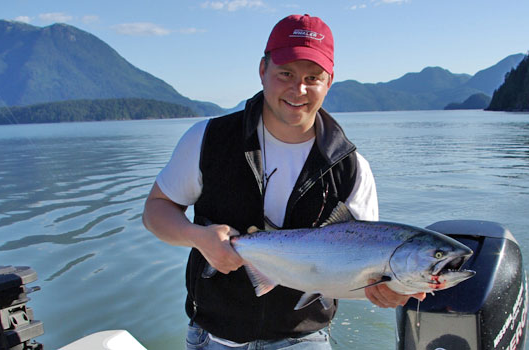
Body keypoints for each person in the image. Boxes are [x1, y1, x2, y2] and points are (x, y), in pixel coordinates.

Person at [142, 14, 424, 350]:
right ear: (262, 70)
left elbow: (361, 270)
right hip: (215, 337)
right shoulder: (208, 139)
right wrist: (198, 237)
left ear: (329, 81)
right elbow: (156, 210)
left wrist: (385, 290)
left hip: (304, 340)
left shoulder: (351, 168)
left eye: (312, 78)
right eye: (285, 74)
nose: (298, 89)